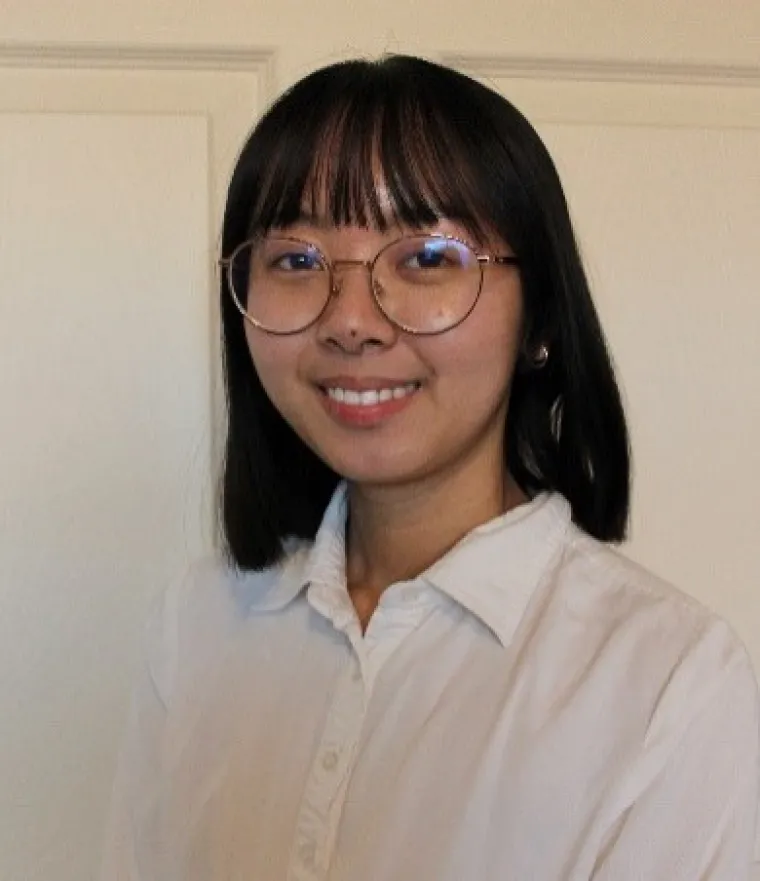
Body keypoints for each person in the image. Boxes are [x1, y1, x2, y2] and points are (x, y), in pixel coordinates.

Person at [101, 55, 760, 880]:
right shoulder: (198, 625)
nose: (351, 321)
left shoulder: (668, 681)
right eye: (297, 261)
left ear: (540, 320)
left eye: (426, 259)